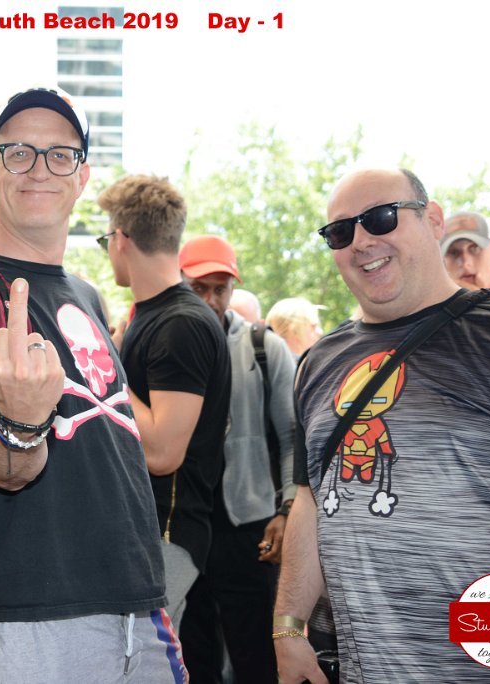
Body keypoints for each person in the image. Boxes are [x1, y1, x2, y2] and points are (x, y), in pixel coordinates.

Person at [0, 86, 180, 683]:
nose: (39, 169)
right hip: (21, 619)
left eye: (60, 154)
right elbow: (3, 465)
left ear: (82, 176)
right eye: (18, 152)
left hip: (140, 609)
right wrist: (21, 424)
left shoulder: (87, 295)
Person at [275, 168, 490, 683]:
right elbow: (310, 499)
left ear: (433, 220)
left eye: (380, 218)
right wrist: (289, 628)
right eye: (340, 231)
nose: (361, 241)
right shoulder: (318, 362)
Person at [97, 176, 230, 632]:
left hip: (166, 533)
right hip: (142, 529)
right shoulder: (151, 316)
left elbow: (162, 452)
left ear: (120, 239)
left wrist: (104, 368)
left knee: (139, 659)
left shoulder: (181, 324)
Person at [177, 234, 297, 684]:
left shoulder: (263, 347)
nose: (210, 300)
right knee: (191, 650)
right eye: (199, 288)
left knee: (255, 651)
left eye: (220, 288)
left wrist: (287, 510)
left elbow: (292, 437)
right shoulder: (166, 340)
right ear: (180, 284)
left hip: (248, 522)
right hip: (184, 522)